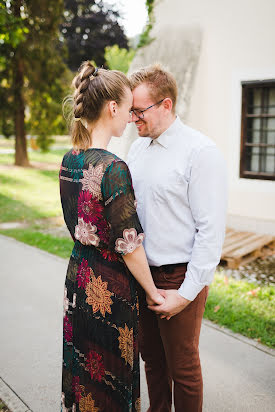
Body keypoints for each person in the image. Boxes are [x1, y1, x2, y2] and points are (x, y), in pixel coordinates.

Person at [59, 61, 164, 412]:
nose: (132, 117)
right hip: (109, 287)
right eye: (128, 108)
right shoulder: (114, 168)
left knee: (82, 372)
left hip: (77, 278)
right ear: (112, 107)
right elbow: (130, 245)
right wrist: (153, 292)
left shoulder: (68, 160)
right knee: (110, 381)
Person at [127, 63, 227, 412]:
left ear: (165, 105)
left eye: (139, 110)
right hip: (142, 276)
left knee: (182, 368)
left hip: (180, 275)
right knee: (152, 363)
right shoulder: (137, 150)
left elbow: (211, 234)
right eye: (130, 110)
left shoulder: (200, 152)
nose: (132, 118)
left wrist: (185, 295)